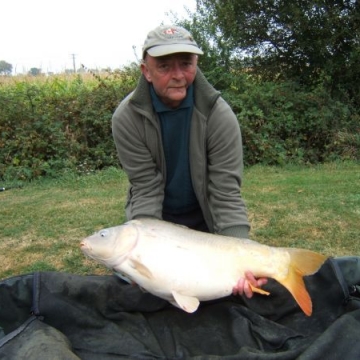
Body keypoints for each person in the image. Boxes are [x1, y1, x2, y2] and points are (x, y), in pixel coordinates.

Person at [111, 24, 267, 298]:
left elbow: (225, 192)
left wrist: (239, 250)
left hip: (207, 225)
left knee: (229, 289)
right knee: (144, 286)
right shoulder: (126, 119)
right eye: (164, 67)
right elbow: (145, 187)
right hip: (159, 224)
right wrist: (142, 253)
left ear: (196, 63)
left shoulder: (219, 115)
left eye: (186, 64)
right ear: (146, 71)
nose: (179, 75)